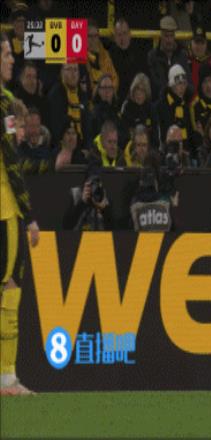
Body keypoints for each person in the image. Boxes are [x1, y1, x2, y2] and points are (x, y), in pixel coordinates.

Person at [0, 33, 40, 396]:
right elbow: (12, 161)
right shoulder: (5, 104)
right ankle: (6, 378)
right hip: (4, 208)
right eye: (6, 54)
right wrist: (29, 214)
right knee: (11, 286)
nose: (12, 59)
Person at [47, 63, 90, 149]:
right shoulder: (55, 94)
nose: (73, 74)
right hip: (62, 147)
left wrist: (87, 148)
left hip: (81, 147)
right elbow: (56, 127)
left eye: (75, 70)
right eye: (69, 69)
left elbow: (87, 125)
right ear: (62, 72)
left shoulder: (82, 95)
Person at [147, 15, 191, 97]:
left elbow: (189, 83)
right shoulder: (152, 56)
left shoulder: (182, 55)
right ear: (161, 35)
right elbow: (154, 85)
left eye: (171, 36)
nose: (169, 40)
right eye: (166, 36)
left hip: (180, 100)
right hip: (161, 101)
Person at [109, 17, 148, 106]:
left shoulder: (139, 54)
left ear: (130, 34)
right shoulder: (110, 56)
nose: (122, 38)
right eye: (119, 35)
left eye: (125, 33)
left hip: (136, 101)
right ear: (114, 37)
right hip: (116, 102)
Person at [155, 64, 191, 152]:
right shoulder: (161, 106)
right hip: (166, 151)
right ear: (171, 85)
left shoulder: (185, 105)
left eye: (184, 84)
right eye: (179, 84)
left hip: (184, 152)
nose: (182, 87)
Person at [85, 19, 119, 96]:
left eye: (95, 36)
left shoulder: (105, 55)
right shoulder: (78, 56)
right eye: (89, 36)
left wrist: (109, 93)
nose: (93, 39)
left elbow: (114, 79)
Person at [120, 73, 154, 141]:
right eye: (137, 90)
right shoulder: (127, 107)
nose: (139, 94)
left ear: (146, 93)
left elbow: (154, 130)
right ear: (133, 91)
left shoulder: (150, 107)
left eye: (142, 91)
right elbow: (123, 132)